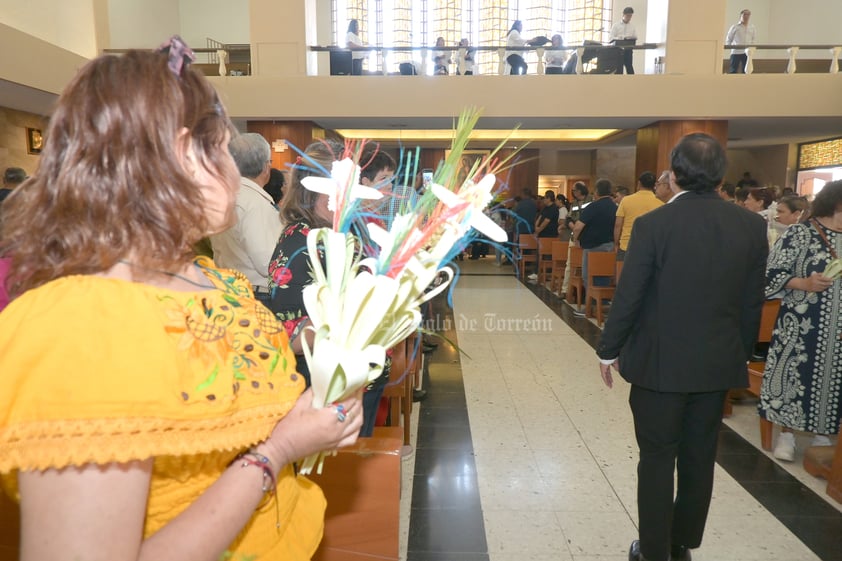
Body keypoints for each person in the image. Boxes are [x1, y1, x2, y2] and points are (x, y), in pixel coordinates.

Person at [0, 39, 363, 561]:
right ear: (178, 154)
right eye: (222, 151)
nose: (236, 174)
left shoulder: (212, 282)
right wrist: (279, 450)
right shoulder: (82, 327)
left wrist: (321, 406)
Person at [597, 133, 767, 561]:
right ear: (721, 174)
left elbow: (630, 293)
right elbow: (752, 300)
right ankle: (682, 543)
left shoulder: (654, 224)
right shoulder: (750, 225)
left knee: (656, 458)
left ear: (673, 174)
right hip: (715, 364)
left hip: (659, 366)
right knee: (699, 455)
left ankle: (653, 550)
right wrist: (739, 353)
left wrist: (608, 348)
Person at [760, 180, 842, 462]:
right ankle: (787, 434)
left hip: (838, 327)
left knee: (834, 380)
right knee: (796, 375)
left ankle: (825, 435)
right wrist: (804, 283)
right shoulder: (801, 233)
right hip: (802, 322)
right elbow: (770, 275)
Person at [209, 132, 282, 304]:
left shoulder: (225, 196)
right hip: (255, 295)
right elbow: (266, 263)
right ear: (266, 167)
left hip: (228, 288)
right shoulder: (255, 203)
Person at [571, 178, 616, 314]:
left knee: (588, 276)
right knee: (605, 274)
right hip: (609, 245)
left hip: (592, 247)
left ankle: (591, 306)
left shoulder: (593, 206)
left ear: (596, 192)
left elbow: (578, 226)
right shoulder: (615, 207)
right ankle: (603, 304)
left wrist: (575, 238)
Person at [614, 171, 663, 262]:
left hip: (626, 245)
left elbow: (618, 224)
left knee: (622, 274)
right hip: (650, 247)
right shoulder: (660, 202)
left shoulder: (626, 200)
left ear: (639, 183)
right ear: (654, 185)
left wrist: (616, 244)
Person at [725, 9, 756, 74]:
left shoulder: (752, 27)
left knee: (746, 71)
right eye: (744, 14)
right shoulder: (735, 27)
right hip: (736, 52)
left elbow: (753, 39)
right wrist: (730, 48)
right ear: (741, 16)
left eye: (748, 15)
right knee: (733, 70)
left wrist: (752, 49)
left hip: (747, 52)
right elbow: (729, 38)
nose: (746, 16)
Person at [609, 7, 637, 74]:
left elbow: (635, 36)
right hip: (618, 50)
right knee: (618, 69)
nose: (629, 18)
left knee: (629, 68)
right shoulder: (616, 26)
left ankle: (632, 83)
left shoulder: (632, 26)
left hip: (628, 50)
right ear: (623, 15)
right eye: (628, 16)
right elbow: (611, 38)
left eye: (630, 16)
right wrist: (620, 38)